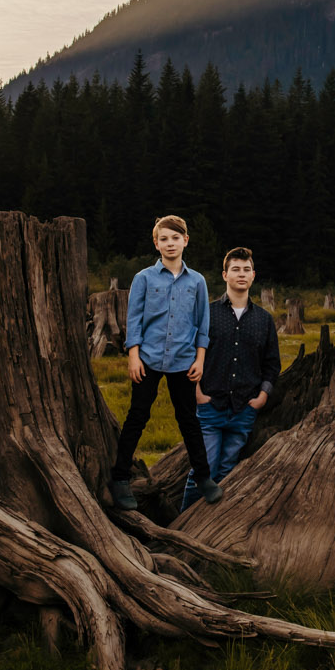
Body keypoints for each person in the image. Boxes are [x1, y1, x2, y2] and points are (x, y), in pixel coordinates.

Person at [110, 215, 214, 511]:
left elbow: (202, 324)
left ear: (185, 240)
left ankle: (204, 478)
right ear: (156, 243)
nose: (170, 243)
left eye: (175, 238)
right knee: (137, 417)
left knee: (189, 421)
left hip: (184, 361)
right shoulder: (143, 278)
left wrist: (200, 360)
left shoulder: (198, 282)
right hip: (148, 360)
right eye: (164, 239)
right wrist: (133, 356)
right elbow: (134, 320)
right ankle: (120, 479)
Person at [182, 246, 281, 511]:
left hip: (243, 410)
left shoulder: (264, 320)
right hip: (210, 406)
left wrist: (263, 396)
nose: (241, 274)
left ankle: (211, 533)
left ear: (253, 275)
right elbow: (188, 355)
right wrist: (196, 392)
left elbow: (272, 364)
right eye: (235, 269)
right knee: (202, 473)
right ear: (225, 275)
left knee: (228, 474)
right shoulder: (207, 314)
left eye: (246, 269)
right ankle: (179, 532)